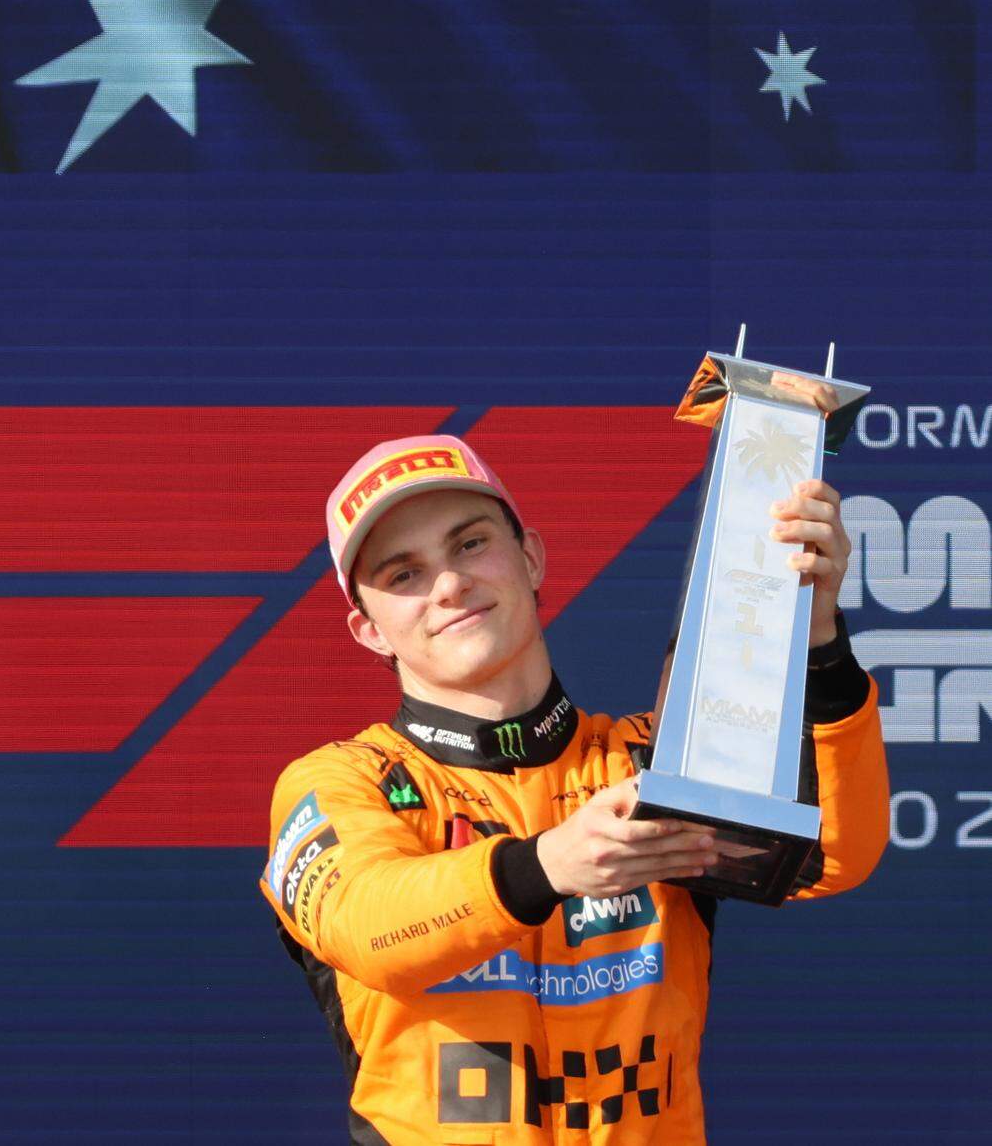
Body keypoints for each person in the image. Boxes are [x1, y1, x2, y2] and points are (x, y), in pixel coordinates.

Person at [259, 434, 889, 1144]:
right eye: (403, 574)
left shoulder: (653, 762)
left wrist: (818, 638)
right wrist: (548, 865)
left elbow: (834, 851)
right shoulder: (342, 781)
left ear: (529, 557)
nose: (448, 585)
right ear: (368, 630)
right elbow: (367, 925)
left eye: (469, 544)